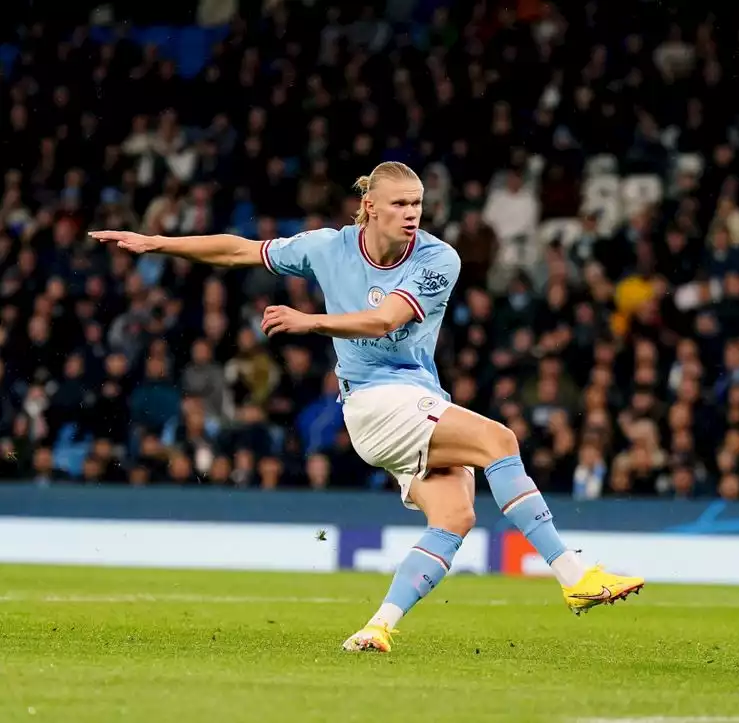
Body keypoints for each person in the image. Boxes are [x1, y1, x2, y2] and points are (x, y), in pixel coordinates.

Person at [91, 161, 644, 653]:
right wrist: (159, 242)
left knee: (454, 517)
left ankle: (378, 626)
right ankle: (574, 574)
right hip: (375, 403)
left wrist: (311, 322)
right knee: (500, 441)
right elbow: (240, 250)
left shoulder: (436, 258)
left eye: (418, 205)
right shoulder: (328, 247)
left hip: (416, 399)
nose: (411, 215)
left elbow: (385, 320)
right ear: (370, 208)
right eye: (400, 204)